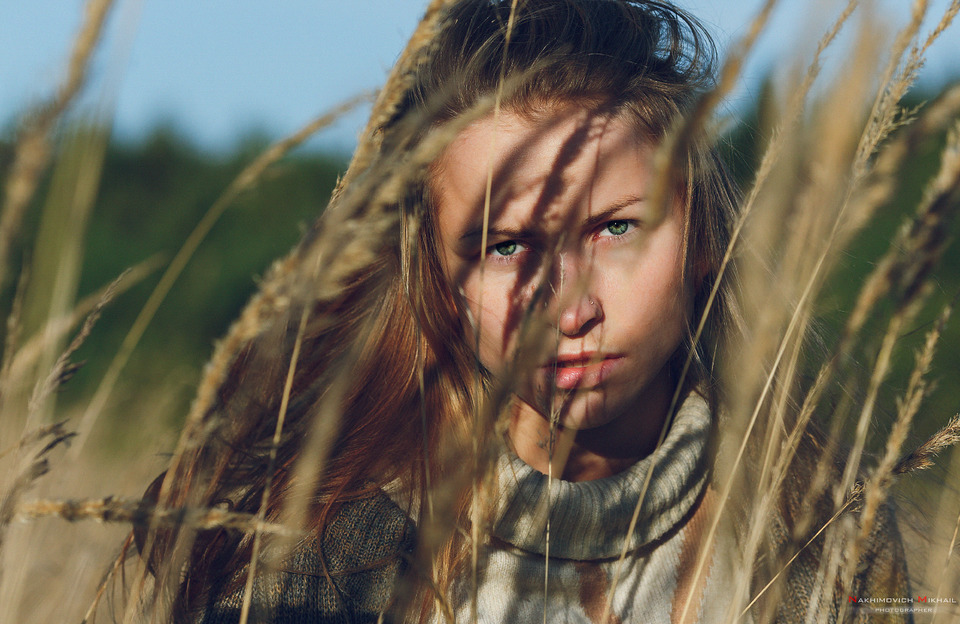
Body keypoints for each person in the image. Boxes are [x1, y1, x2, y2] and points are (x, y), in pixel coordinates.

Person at [135, 1, 910, 622]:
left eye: (616, 228)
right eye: (505, 246)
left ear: (700, 234)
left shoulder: (820, 533)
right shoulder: (328, 559)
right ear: (436, 275)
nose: (568, 308)